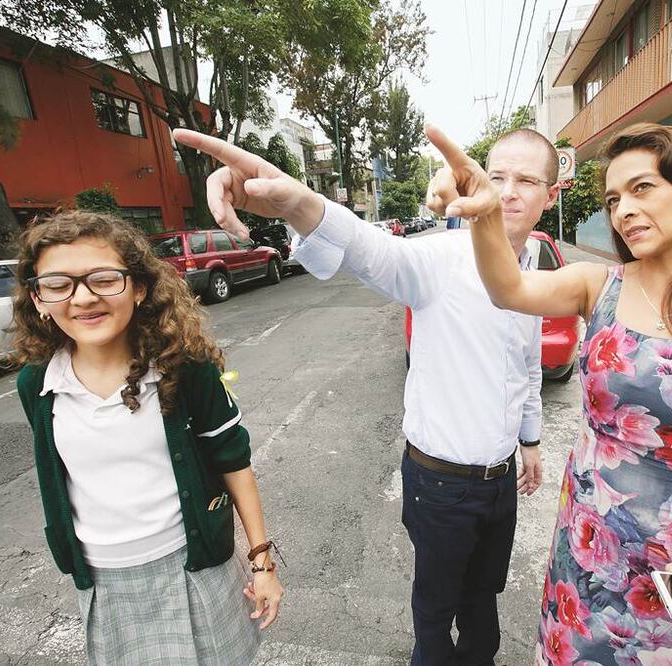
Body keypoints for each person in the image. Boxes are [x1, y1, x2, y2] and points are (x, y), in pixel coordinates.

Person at [426, 123, 672, 664]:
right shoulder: (599, 286)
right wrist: (488, 213)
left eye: (642, 189)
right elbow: (508, 289)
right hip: (586, 544)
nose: (623, 210)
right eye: (613, 199)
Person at [172, 125, 556, 665]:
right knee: (434, 613)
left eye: (527, 180)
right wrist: (297, 200)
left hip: (500, 483)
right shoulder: (439, 260)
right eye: (496, 177)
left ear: (549, 197)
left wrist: (531, 439)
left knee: (483, 605)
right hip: (441, 483)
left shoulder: (532, 273)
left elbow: (528, 366)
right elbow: (366, 248)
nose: (509, 191)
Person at [10, 210, 283, 664]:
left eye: (103, 279)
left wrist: (262, 563)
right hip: (103, 579)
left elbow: (233, 460)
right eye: (58, 284)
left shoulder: (185, 368)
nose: (82, 298)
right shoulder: (36, 384)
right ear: (38, 299)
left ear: (138, 288)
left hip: (192, 565)